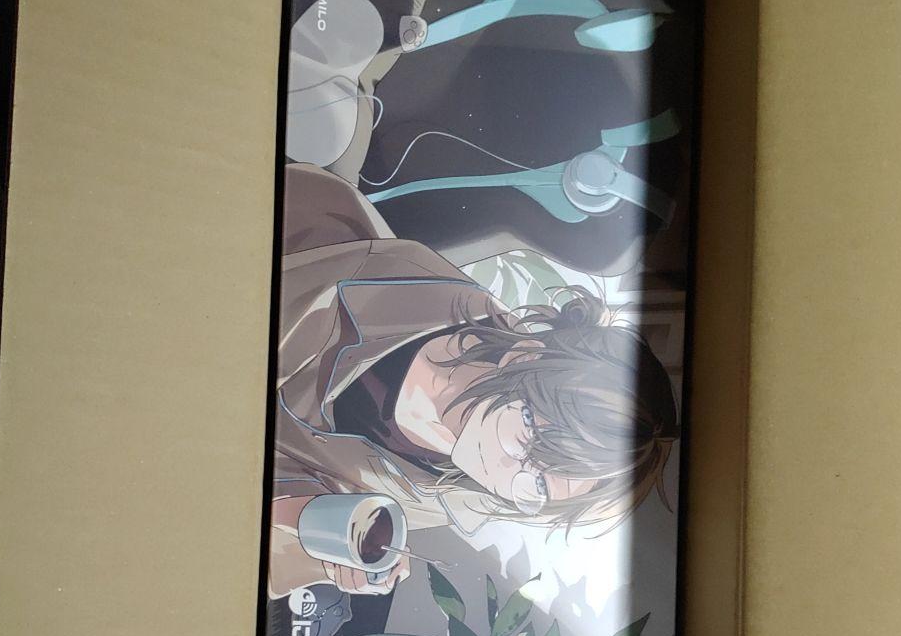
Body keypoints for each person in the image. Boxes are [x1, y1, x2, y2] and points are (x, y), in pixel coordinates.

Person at [269, 164, 679, 598]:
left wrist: (319, 548)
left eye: (540, 487)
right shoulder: (387, 285)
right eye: (531, 433)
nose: (510, 473)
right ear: (525, 357)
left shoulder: (445, 494)